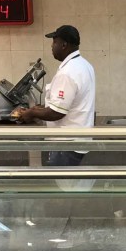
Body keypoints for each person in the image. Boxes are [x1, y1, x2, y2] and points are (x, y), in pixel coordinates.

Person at [19, 25, 96, 166]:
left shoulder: (68, 72)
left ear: (64, 45)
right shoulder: (85, 65)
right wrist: (41, 108)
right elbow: (67, 103)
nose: (52, 46)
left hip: (66, 144)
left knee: (63, 186)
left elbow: (57, 112)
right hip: (78, 141)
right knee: (71, 185)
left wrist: (31, 112)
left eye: (54, 42)